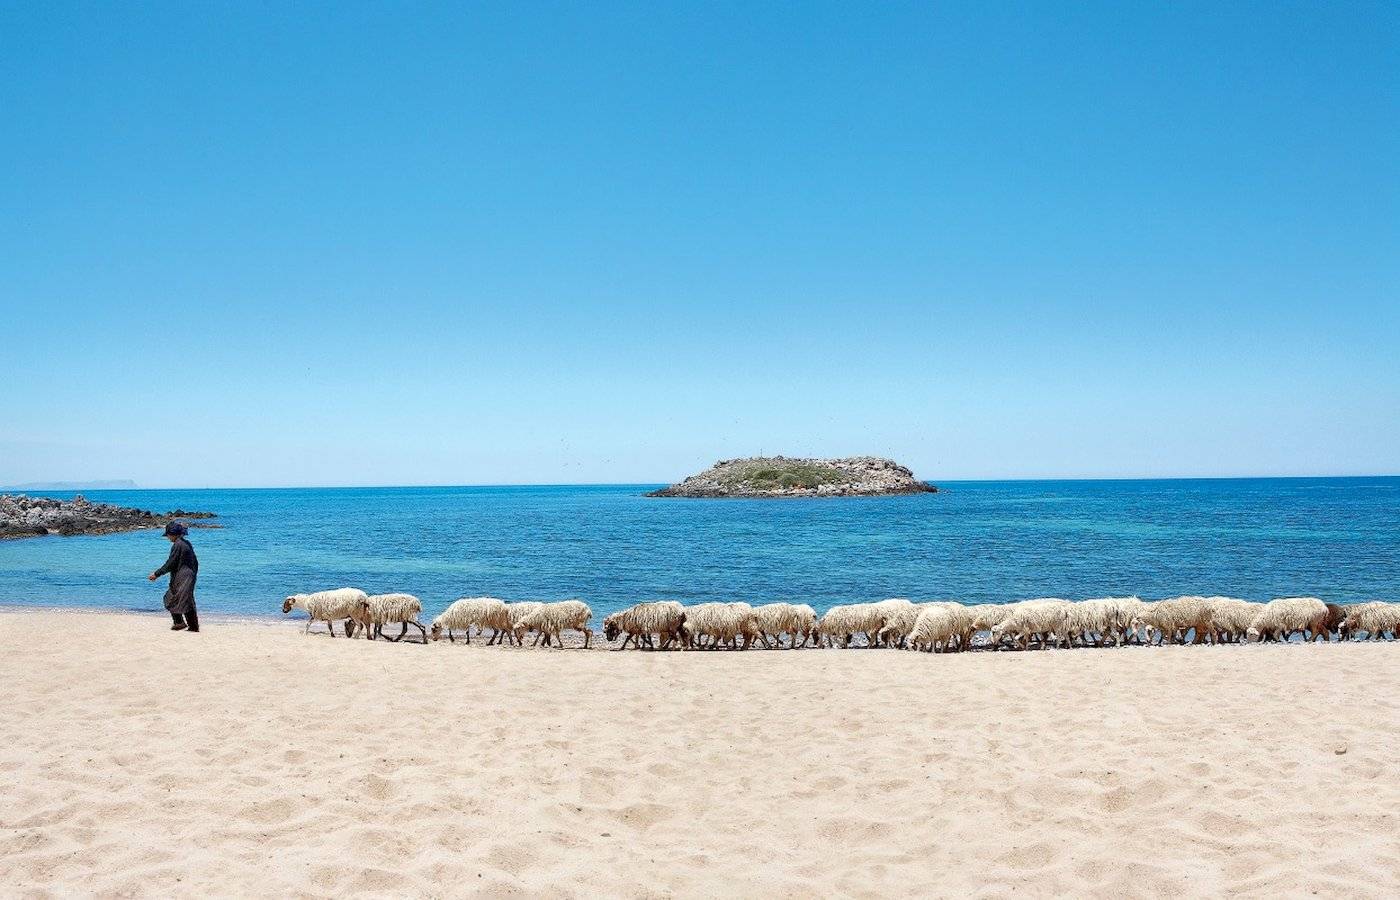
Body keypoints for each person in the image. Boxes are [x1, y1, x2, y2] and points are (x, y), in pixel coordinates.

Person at [149, 522, 199, 632]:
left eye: (168, 535)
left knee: (171, 598)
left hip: (184, 577)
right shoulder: (186, 543)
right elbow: (195, 562)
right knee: (184, 600)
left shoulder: (178, 545)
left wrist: (156, 574)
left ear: (173, 534)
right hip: (187, 576)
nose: (167, 537)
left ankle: (182, 623)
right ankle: (190, 626)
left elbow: (170, 563)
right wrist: (193, 574)